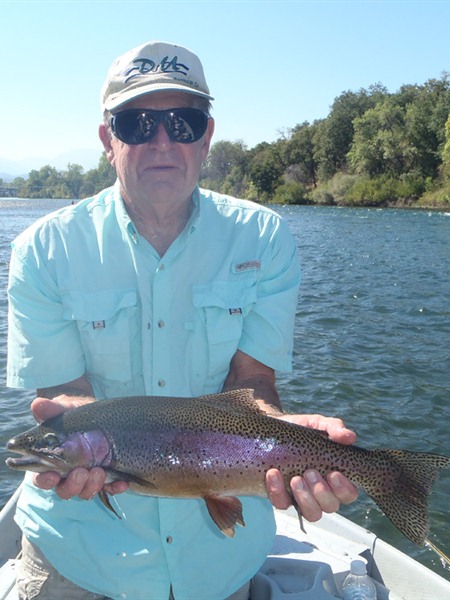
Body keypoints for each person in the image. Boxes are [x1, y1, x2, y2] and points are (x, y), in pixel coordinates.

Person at [7, 40, 358, 600]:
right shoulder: (42, 251)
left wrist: (292, 441)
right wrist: (72, 432)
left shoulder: (263, 238)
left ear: (207, 136)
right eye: (137, 123)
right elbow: (64, 391)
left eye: (183, 122)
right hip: (79, 556)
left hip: (219, 563)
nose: (162, 141)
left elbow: (253, 384)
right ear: (108, 139)